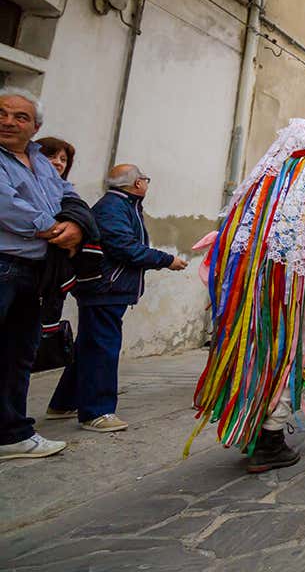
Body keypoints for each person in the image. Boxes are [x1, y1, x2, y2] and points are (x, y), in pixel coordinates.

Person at [188, 119, 305, 470]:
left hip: (253, 300)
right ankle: (269, 437)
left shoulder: (261, 196)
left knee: (260, 357)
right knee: (298, 357)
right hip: (290, 300)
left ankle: (256, 427)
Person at [48, 165, 187, 432]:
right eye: (145, 179)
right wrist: (166, 260)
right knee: (102, 347)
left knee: (90, 344)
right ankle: (97, 412)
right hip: (105, 288)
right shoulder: (113, 207)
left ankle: (64, 402)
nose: (147, 183)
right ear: (136, 184)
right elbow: (125, 248)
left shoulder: (124, 205)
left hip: (107, 288)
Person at [0, 91, 85, 461]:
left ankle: (12, 434)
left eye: (20, 117)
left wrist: (77, 224)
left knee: (18, 354)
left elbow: (69, 195)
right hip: (4, 262)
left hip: (33, 270)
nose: (8, 121)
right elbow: (5, 205)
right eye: (1, 114)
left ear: (35, 127)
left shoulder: (40, 160)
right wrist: (52, 228)